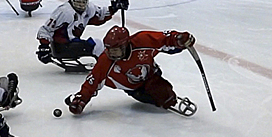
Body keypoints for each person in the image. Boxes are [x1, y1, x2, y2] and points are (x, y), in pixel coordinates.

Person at [64, 25, 196, 115]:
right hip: (134, 89)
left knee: (165, 94)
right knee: (158, 97)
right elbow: (92, 82)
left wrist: (178, 39)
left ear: (125, 45)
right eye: (108, 49)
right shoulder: (106, 60)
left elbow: (164, 39)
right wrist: (81, 100)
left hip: (151, 75)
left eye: (114, 50)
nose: (111, 54)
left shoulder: (143, 40)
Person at [36, 0, 128, 67]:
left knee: (99, 44)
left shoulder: (88, 9)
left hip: (72, 43)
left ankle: (106, 64)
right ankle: (107, 67)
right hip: (62, 47)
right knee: (97, 45)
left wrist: (114, 8)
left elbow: (99, 16)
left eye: (83, 2)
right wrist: (44, 47)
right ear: (71, 0)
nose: (81, 5)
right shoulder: (64, 11)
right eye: (78, 2)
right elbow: (46, 29)